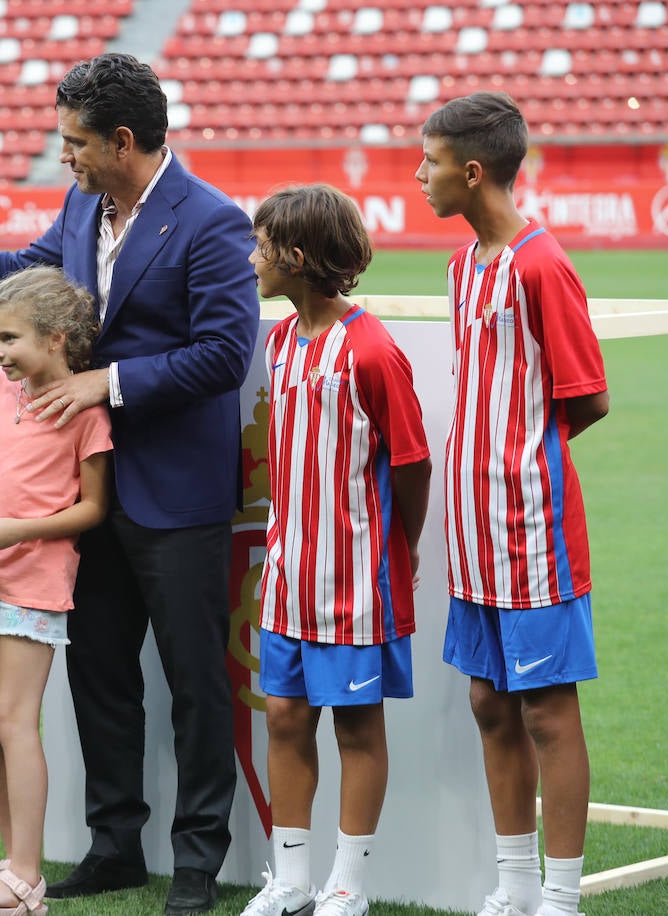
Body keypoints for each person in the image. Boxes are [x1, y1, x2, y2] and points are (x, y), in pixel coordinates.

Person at [0, 52, 259, 916]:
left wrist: (107, 383)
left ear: (124, 140)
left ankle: (196, 865)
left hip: (176, 493)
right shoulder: (81, 205)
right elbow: (19, 277)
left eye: (75, 142)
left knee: (192, 679)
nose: (62, 155)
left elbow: (225, 354)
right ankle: (113, 848)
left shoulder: (213, 221)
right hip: (77, 495)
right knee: (100, 675)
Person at [415, 92, 608, 916]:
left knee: (548, 712)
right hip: (470, 531)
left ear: (471, 170)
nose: (418, 177)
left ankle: (560, 898)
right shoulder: (463, 267)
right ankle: (514, 885)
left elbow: (587, 398)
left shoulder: (541, 263)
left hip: (532, 529)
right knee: (489, 701)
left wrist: (516, 466)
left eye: (428, 162)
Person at [237, 185, 432, 916]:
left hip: (354, 581)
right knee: (284, 717)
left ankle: (349, 881)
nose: (250, 258)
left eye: (260, 246)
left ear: (295, 255)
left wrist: (401, 547)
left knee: (356, 725)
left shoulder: (372, 350)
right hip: (289, 575)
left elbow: (412, 463)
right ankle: (290, 879)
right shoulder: (281, 342)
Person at [0, 267, 112, 916]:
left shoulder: (83, 409)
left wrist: (21, 529)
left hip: (37, 582)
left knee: (16, 720)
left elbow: (93, 507)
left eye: (9, 338)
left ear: (58, 340)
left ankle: (27, 877)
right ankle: (12, 867)